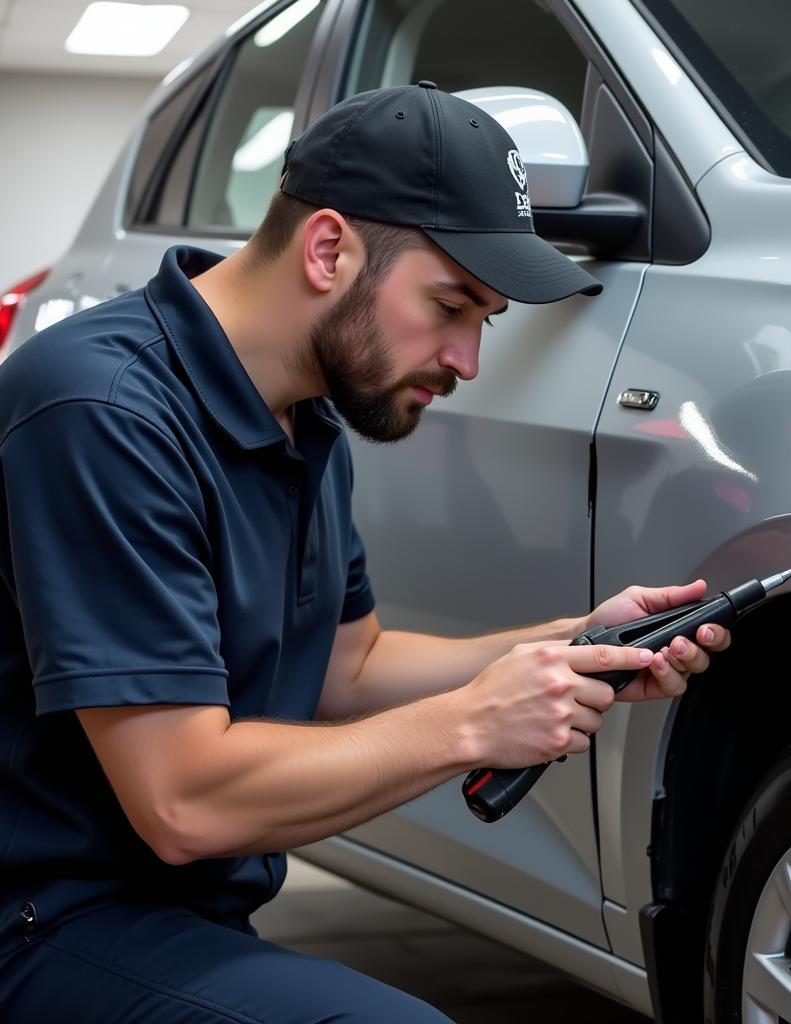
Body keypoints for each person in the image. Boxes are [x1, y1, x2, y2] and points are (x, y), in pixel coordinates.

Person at [0, 83, 730, 1022]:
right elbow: (182, 801)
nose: (467, 360)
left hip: (179, 912)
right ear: (329, 248)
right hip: (42, 923)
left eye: (485, 321)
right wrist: (475, 724)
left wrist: (567, 643)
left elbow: (351, 664)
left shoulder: (303, 419)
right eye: (450, 304)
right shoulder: (101, 412)